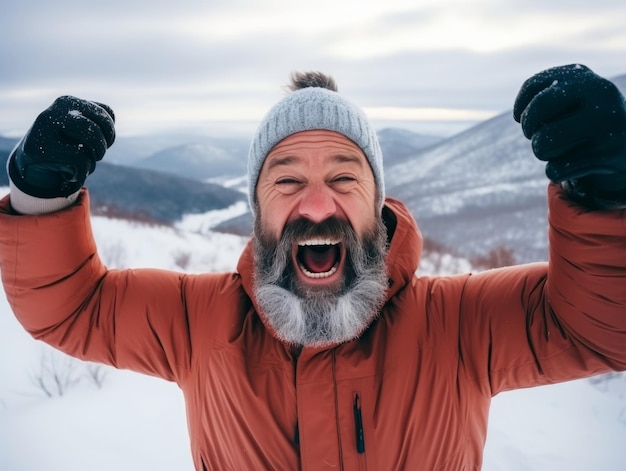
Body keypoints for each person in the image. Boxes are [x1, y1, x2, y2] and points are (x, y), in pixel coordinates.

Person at [1, 64, 625, 470]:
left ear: (375, 202)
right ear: (258, 207)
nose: (317, 204)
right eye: (288, 178)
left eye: (343, 178)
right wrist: (40, 195)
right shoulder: (198, 321)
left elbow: (598, 329)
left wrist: (607, 194)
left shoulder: (458, 326)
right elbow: (73, 309)